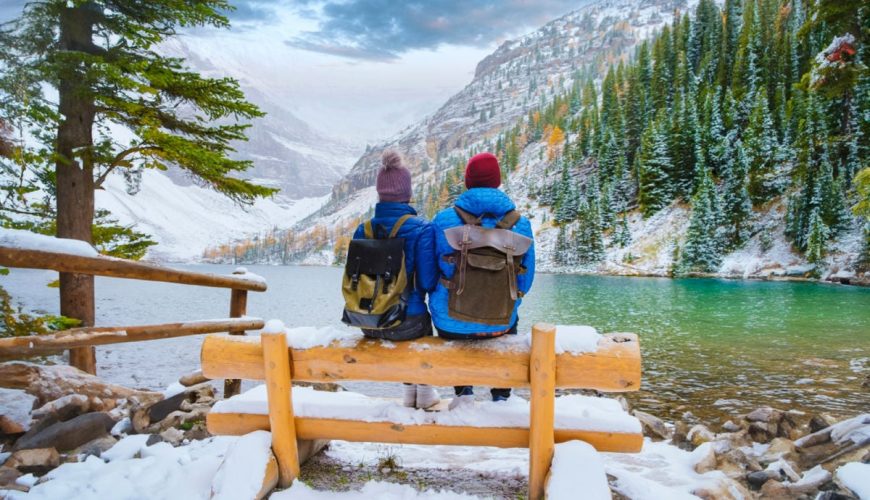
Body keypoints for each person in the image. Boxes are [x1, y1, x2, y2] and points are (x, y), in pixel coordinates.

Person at [429, 152, 535, 408]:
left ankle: (463, 394)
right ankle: (501, 397)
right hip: (500, 323)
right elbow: (526, 281)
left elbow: (429, 274)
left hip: (450, 325)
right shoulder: (520, 225)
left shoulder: (443, 220)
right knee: (510, 321)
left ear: (467, 182)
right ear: (497, 182)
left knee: (449, 316)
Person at [349, 150, 440, 409]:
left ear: (379, 193)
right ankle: (423, 392)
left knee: (405, 323)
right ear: (407, 193)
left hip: (369, 321)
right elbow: (427, 282)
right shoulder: (422, 228)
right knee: (418, 321)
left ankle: (409, 392)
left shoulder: (362, 229)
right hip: (406, 322)